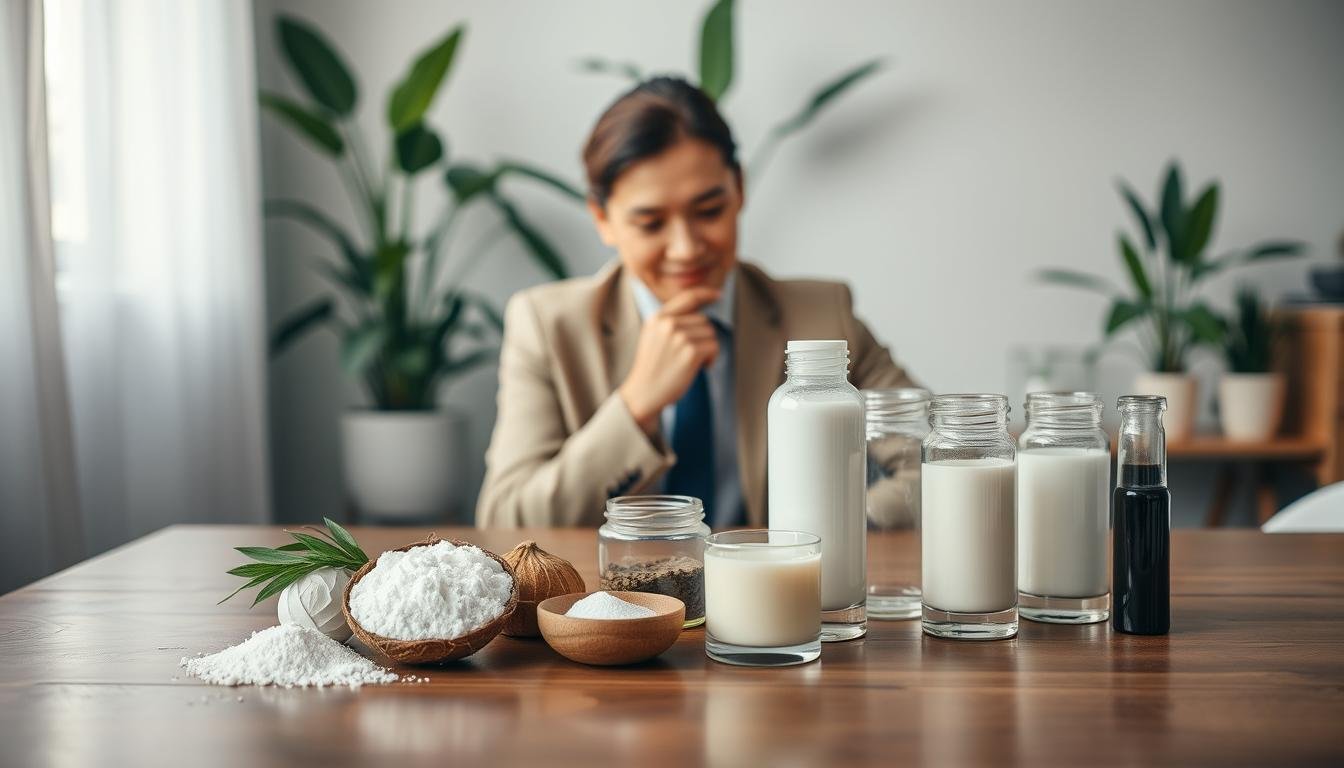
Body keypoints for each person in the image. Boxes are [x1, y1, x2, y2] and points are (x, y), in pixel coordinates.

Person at [476, 76, 918, 528]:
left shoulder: (822, 315)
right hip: (623, 593)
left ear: (739, 190)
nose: (686, 248)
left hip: (778, 591)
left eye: (709, 212)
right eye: (650, 223)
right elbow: (506, 518)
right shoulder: (548, 326)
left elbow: (937, 461)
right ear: (603, 219)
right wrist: (634, 406)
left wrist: (829, 531)